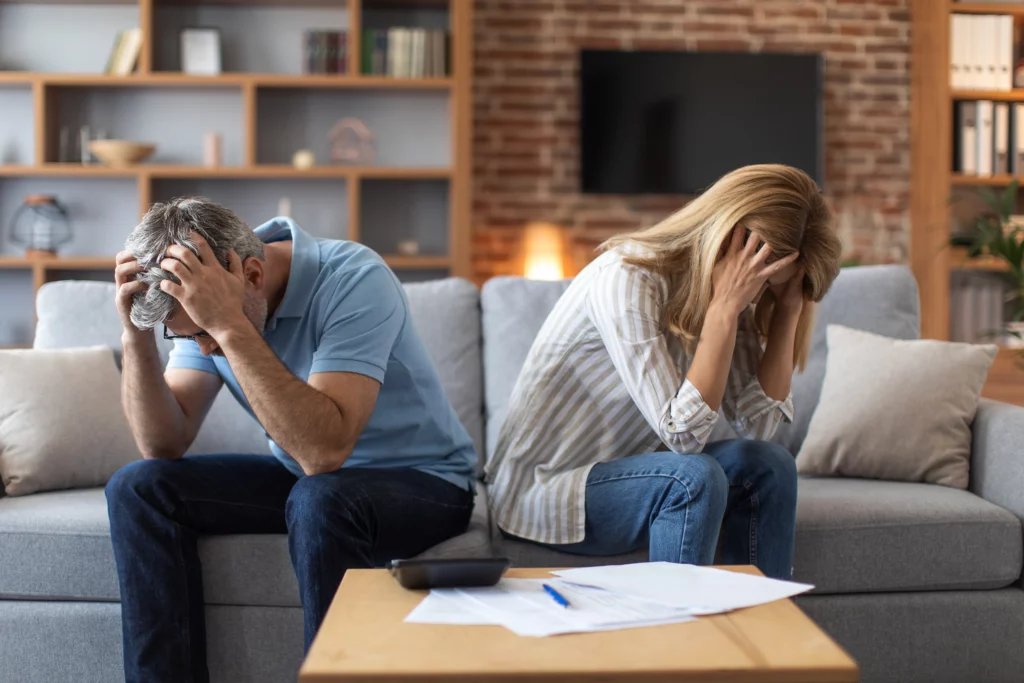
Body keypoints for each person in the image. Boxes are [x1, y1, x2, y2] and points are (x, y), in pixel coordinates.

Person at [106, 197, 477, 683]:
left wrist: (229, 326)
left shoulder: (353, 277)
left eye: (203, 333)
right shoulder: (204, 296)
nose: (202, 347)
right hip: (304, 477)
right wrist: (136, 335)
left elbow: (325, 451)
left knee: (321, 496)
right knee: (139, 486)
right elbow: (163, 443)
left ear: (253, 277)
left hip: (423, 481)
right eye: (186, 336)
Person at [485, 164, 842, 580]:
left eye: (767, 287)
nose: (754, 296)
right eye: (760, 284)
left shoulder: (732, 296)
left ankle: (759, 631)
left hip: (636, 475)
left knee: (770, 463)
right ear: (728, 239)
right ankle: (682, 640)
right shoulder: (626, 279)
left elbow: (757, 428)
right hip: (548, 489)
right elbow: (683, 435)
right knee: (693, 478)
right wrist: (723, 310)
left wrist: (788, 309)